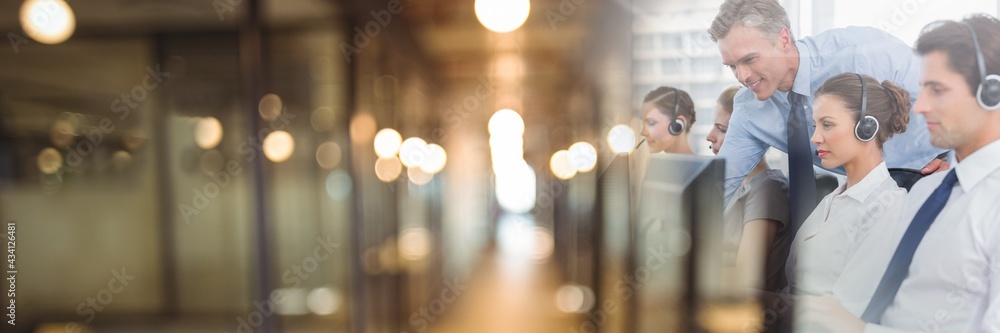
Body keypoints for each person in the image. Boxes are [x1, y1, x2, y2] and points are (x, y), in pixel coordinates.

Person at [796, 14, 1000, 333]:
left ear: (991, 92)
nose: (920, 107)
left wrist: (858, 330)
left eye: (938, 90)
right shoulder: (924, 193)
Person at [707, 0, 948, 229]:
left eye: (749, 59)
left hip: (935, 180)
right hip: (866, 204)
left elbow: (957, 99)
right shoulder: (749, 110)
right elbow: (717, 188)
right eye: (732, 65)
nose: (742, 76)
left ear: (783, 39)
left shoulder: (863, 52)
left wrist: (960, 163)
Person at [785, 73, 911, 316]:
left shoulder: (888, 207)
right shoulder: (832, 199)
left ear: (867, 127)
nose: (814, 138)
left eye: (827, 124)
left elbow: (849, 311)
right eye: (815, 125)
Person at [708, 86, 792, 294]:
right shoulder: (731, 187)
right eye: (713, 126)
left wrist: (684, 272)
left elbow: (746, 278)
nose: (710, 136)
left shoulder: (768, 188)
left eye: (722, 128)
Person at [639, 86, 695, 154]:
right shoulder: (655, 163)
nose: (643, 133)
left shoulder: (706, 164)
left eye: (651, 123)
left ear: (678, 125)